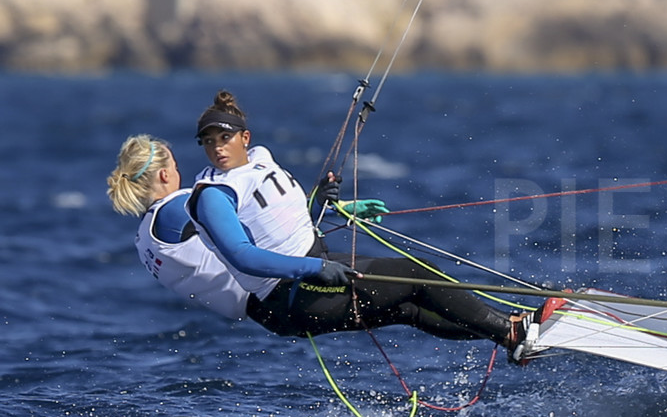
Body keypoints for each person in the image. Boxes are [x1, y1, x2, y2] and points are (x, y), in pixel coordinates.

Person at [171, 90, 538, 361]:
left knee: (410, 308)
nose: (217, 148)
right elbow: (242, 256)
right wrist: (315, 267)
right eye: (208, 142)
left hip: (313, 266)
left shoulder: (261, 160)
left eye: (225, 138)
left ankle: (509, 333)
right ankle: (511, 331)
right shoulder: (213, 194)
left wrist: (325, 203)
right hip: (290, 295)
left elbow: (279, 220)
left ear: (244, 138)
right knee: (415, 275)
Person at [107, 134, 253, 320]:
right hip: (272, 291)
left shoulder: (144, 237)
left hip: (258, 312)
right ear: (164, 175)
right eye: (174, 167)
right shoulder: (176, 211)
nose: (178, 172)